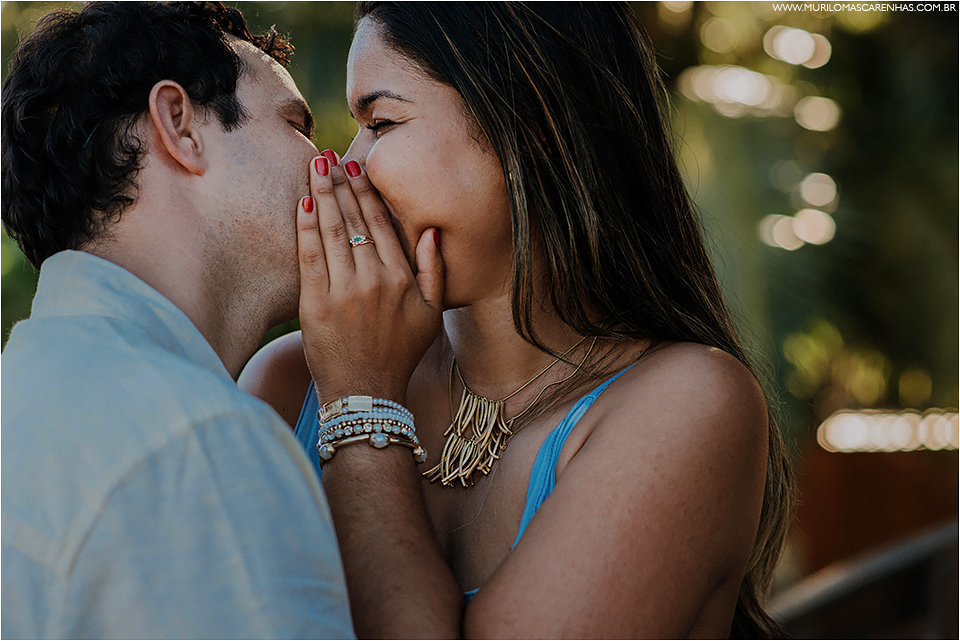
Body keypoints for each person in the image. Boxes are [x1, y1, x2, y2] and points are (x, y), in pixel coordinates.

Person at [242, 2, 796, 638]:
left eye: (383, 121)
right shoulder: (286, 387)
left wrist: (363, 401)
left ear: (531, 121)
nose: (350, 166)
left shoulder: (690, 406)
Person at [0, 2, 362, 637]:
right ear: (179, 125)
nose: (327, 158)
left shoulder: (24, 396)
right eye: (296, 124)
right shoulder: (199, 446)